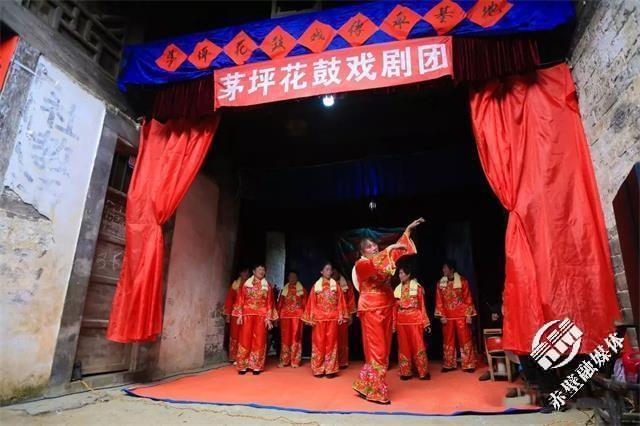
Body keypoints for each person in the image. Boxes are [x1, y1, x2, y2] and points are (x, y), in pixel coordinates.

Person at [352, 218, 425, 404]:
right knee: (378, 349)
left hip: (385, 308)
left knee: (382, 350)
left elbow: (397, 252)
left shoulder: (383, 260)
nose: (373, 248)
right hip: (371, 310)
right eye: (369, 247)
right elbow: (376, 263)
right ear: (362, 252)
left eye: (374, 245)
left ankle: (365, 384)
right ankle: (377, 392)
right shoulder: (361, 265)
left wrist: (407, 231)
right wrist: (389, 248)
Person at [303, 263, 349, 378]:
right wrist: (311, 318)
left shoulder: (336, 286)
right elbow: (311, 303)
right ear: (321, 272)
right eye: (327, 269)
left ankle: (330, 369)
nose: (329, 272)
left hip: (332, 318)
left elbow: (340, 301)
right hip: (319, 319)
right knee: (319, 343)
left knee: (331, 343)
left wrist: (341, 315)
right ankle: (318, 369)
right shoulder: (316, 286)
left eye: (330, 270)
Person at [232, 264, 278, 375]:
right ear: (254, 271)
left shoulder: (267, 286)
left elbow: (270, 302)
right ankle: (243, 365)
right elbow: (240, 299)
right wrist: (239, 314)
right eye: (259, 270)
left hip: (261, 316)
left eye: (263, 270)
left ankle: (256, 366)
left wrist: (268, 318)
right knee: (245, 338)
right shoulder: (246, 285)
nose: (261, 272)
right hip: (247, 314)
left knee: (259, 340)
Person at [434, 259, 477, 372]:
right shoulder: (440, 283)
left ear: (451, 269)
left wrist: (469, 315)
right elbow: (439, 301)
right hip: (447, 317)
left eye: (445, 268)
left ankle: (468, 364)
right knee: (448, 340)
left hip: (461, 316)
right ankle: (448, 364)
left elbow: (468, 298)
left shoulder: (463, 281)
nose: (443, 270)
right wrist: (441, 315)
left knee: (465, 339)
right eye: (443, 268)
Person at [393, 266, 431, 380]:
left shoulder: (417, 287)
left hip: (415, 319)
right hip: (401, 321)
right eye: (399, 273)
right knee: (403, 346)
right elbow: (394, 308)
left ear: (408, 274)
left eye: (402, 273)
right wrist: (393, 324)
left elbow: (422, 305)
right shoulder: (397, 289)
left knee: (418, 345)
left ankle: (423, 372)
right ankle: (405, 372)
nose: (400, 275)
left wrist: (425, 322)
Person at [277, 271, 307, 368]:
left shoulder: (302, 290)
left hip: (297, 317)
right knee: (285, 339)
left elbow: (305, 304)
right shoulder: (284, 290)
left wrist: (306, 317)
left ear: (297, 278)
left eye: (294, 276)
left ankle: (295, 361)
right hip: (285, 316)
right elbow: (280, 303)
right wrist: (277, 316)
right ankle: (284, 360)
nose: (292, 278)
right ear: (288, 278)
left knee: (296, 337)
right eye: (291, 276)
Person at [223, 268, 250, 363]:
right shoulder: (235, 284)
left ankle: (243, 357)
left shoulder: (251, 285)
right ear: (240, 272)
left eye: (248, 272)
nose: (246, 274)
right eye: (244, 271)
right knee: (234, 335)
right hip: (235, 313)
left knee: (245, 335)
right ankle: (233, 356)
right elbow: (229, 300)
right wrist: (228, 314)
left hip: (247, 314)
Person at [333, 269, 357, 369]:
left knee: (342, 339)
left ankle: (342, 362)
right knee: (332, 339)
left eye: (334, 271)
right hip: (331, 314)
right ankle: (332, 362)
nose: (332, 273)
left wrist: (350, 314)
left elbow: (351, 300)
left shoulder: (347, 284)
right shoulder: (328, 284)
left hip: (343, 314)